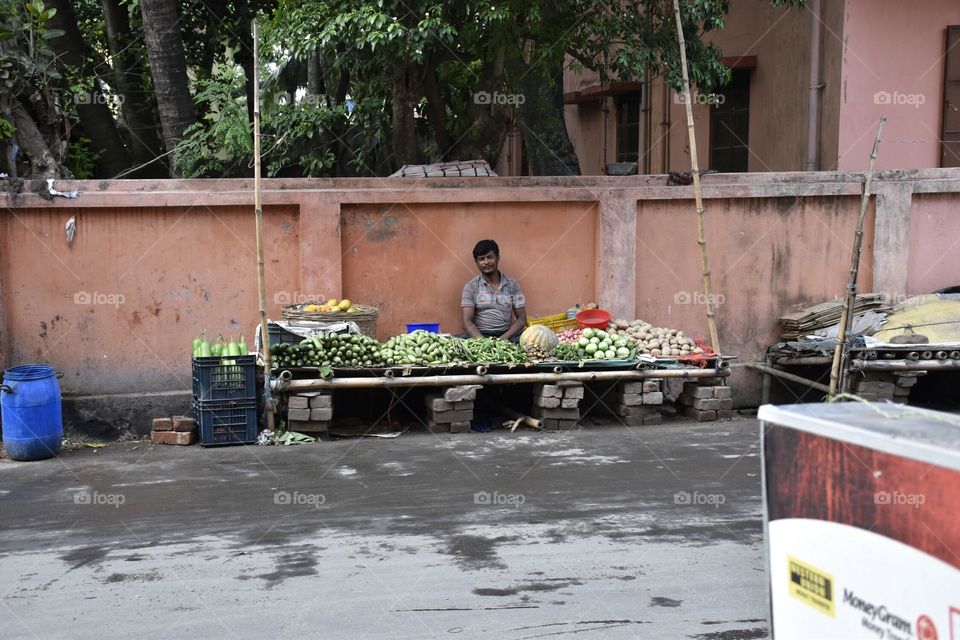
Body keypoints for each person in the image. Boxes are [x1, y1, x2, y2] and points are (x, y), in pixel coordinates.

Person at [461, 239, 527, 342]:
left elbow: (522, 318)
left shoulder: (513, 285)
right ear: (476, 262)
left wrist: (501, 340)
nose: (486, 262)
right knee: (456, 343)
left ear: (497, 257)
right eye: (481, 259)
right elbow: (466, 322)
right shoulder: (470, 287)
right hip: (480, 335)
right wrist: (484, 343)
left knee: (529, 342)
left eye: (490, 257)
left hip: (507, 335)